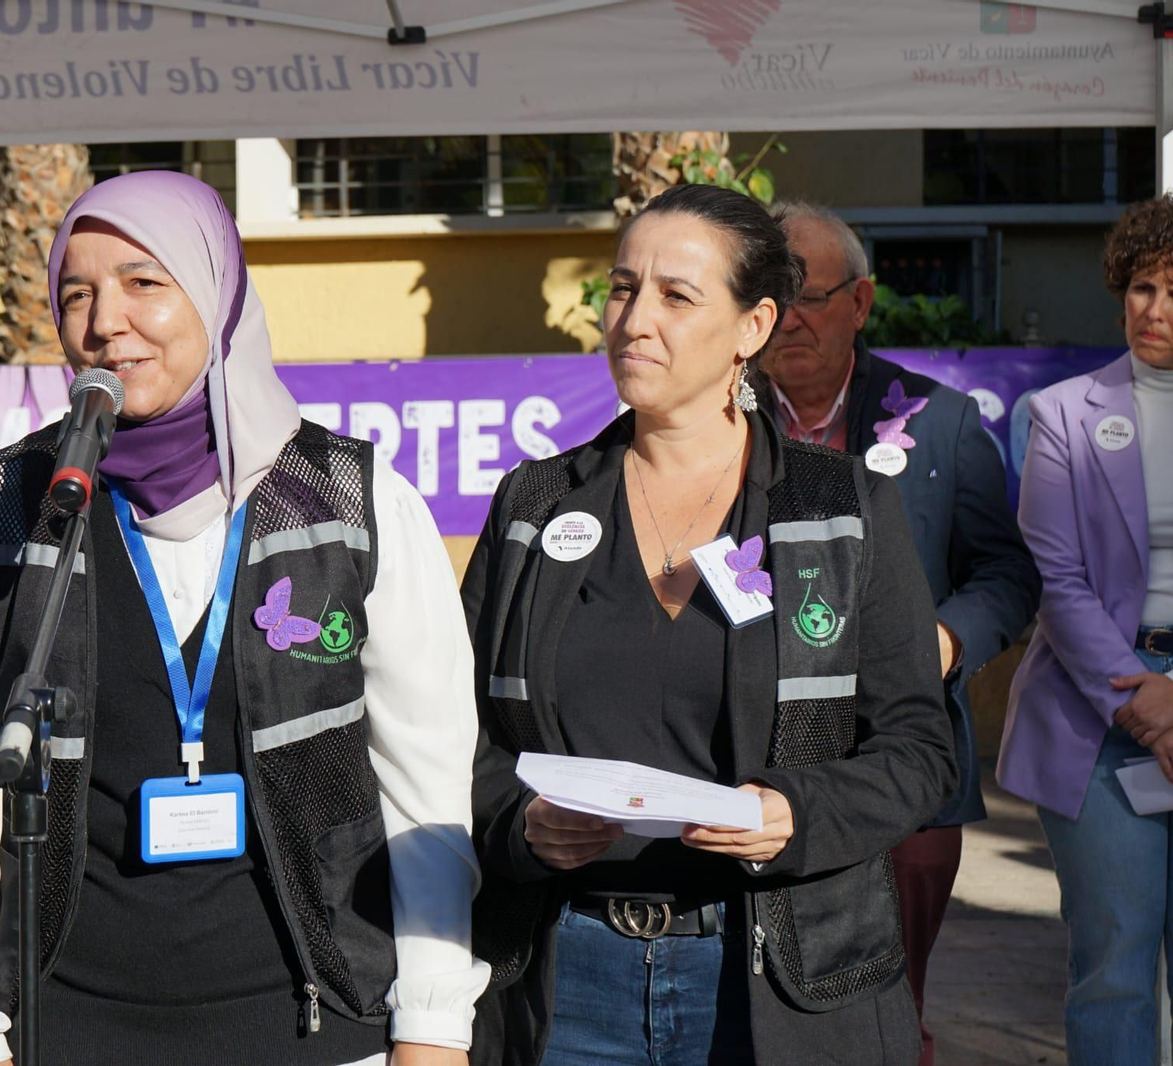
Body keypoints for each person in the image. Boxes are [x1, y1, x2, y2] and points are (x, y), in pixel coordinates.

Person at [0, 172, 488, 1066]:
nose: (105, 322)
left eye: (144, 282)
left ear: (217, 294)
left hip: (317, 1027)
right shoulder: (8, 508)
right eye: (76, 294)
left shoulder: (350, 502)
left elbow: (426, 788)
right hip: (69, 1029)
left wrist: (434, 1026)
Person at [466, 183, 957, 1066]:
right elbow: (455, 738)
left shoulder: (842, 508)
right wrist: (520, 822)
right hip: (563, 984)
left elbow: (920, 751)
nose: (634, 321)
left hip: (775, 983)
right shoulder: (533, 505)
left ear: (752, 327)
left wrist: (794, 813)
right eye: (623, 288)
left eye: (676, 296)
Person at [761, 203, 1040, 1065]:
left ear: (861, 302)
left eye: (809, 296)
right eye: (771, 295)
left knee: (889, 1010)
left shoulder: (940, 421)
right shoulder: (713, 420)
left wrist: (944, 643)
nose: (789, 318)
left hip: (903, 762)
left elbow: (1007, 573)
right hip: (756, 761)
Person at [998, 194, 1173, 1063]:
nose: (1156, 309)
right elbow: (1058, 583)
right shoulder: (1063, 412)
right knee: (1112, 969)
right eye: (1143, 287)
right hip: (1098, 704)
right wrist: (1149, 706)